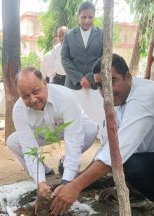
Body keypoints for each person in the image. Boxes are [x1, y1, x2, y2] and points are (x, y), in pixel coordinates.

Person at [50, 54, 154, 216]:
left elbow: (116, 155)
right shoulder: (115, 99)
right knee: (124, 162)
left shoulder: (143, 98)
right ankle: (135, 189)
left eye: (111, 81)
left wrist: (75, 187)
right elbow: (105, 148)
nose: (105, 91)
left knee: (128, 164)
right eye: (100, 85)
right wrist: (71, 183)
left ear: (127, 77)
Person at [7, 67, 98, 195]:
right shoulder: (18, 110)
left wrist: (67, 182)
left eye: (36, 91)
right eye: (26, 96)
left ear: (45, 83)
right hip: (42, 134)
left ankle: (65, 162)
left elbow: (74, 139)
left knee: (90, 129)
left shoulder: (65, 97)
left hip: (67, 130)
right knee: (13, 142)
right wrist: (41, 182)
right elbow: (29, 148)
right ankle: (44, 171)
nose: (33, 99)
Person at [61, 1, 105, 137]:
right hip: (74, 86)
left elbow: (105, 58)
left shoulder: (102, 34)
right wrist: (80, 78)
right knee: (72, 122)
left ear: (94, 16)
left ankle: (102, 155)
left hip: (95, 86)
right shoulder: (69, 35)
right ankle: (71, 153)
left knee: (99, 121)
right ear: (78, 17)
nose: (87, 20)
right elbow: (65, 58)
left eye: (90, 17)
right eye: (84, 17)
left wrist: (90, 78)